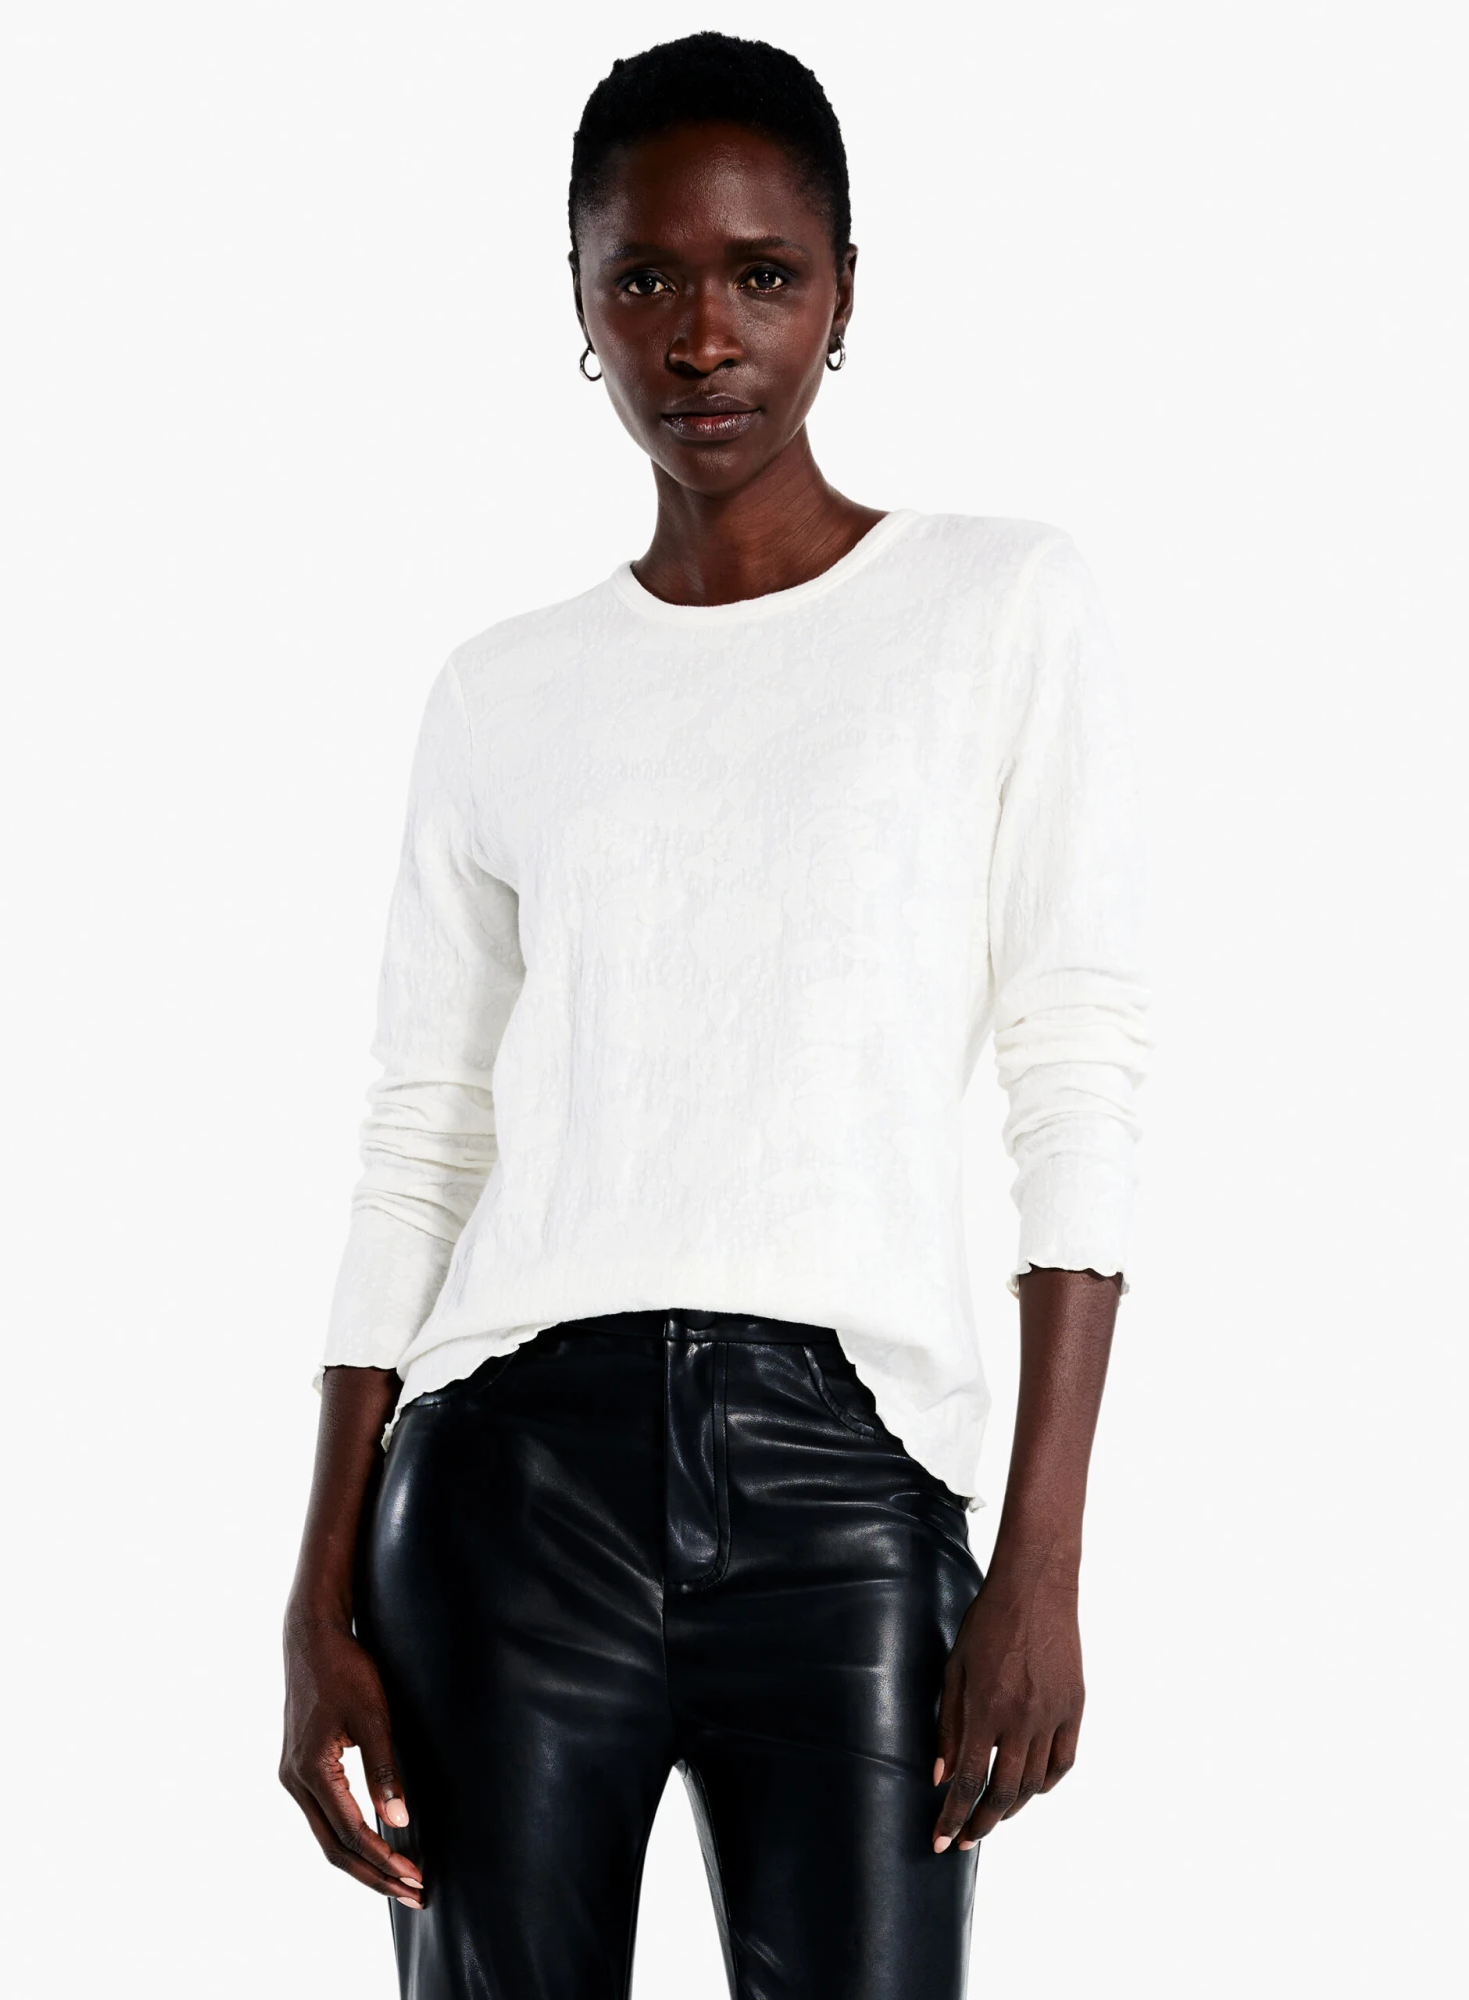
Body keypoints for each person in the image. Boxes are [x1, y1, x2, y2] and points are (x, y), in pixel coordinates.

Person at [280, 30, 1148, 2000]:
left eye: (763, 274)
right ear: (578, 302)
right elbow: (422, 1137)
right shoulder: (501, 689)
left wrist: (1043, 1558)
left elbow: (1077, 1071)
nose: (700, 335)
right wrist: (315, 1593)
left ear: (845, 293)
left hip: (851, 1493)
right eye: (644, 277)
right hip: (504, 1493)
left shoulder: (1000, 605)